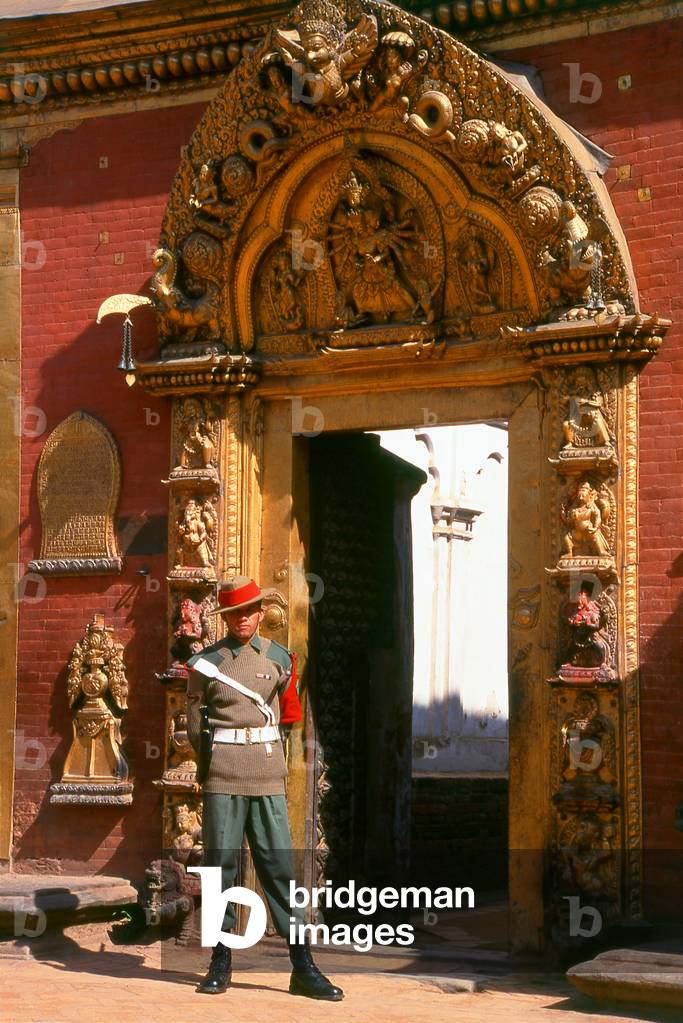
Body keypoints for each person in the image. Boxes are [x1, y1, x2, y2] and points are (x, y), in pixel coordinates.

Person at [186, 575, 343, 1001]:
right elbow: (193, 723)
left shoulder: (279, 659)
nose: (243, 619)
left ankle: (303, 965)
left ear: (260, 613)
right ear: (225, 617)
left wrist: (280, 770)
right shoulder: (205, 663)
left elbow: (288, 721)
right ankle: (220, 960)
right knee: (222, 869)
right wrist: (209, 768)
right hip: (223, 775)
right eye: (234, 612)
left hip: (267, 775)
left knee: (279, 869)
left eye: (249, 611)